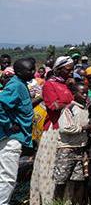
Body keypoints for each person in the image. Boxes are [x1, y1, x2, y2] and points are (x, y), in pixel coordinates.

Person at [30, 56, 75, 205]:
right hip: (54, 130)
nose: (71, 72)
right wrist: (71, 103)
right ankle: (48, 199)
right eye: (68, 69)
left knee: (65, 167)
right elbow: (53, 106)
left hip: (69, 130)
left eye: (72, 69)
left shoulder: (69, 85)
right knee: (51, 166)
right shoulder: (50, 84)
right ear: (59, 69)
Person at [0, 58, 35, 204]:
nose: (33, 72)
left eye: (33, 69)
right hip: (11, 138)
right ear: (19, 72)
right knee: (8, 177)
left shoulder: (21, 84)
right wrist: (7, 124)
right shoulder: (16, 86)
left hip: (14, 137)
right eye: (30, 70)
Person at [53, 82, 90, 204]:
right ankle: (57, 203)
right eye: (82, 93)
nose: (85, 95)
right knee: (61, 181)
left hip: (80, 148)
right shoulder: (69, 109)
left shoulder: (84, 108)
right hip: (67, 149)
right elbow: (65, 128)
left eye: (86, 92)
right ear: (74, 94)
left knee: (79, 180)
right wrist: (83, 128)